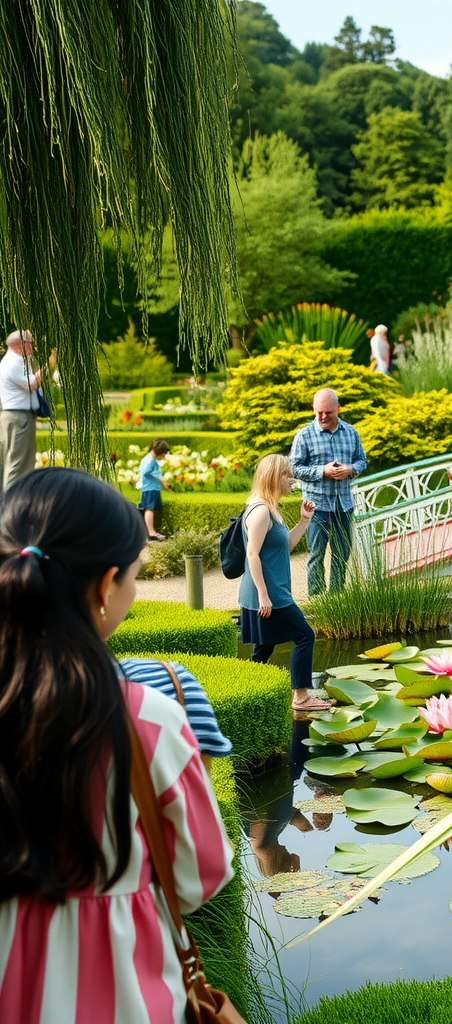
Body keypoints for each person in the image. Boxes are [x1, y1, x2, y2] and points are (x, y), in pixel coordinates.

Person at [0, 468, 233, 1023]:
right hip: (128, 999)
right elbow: (203, 874)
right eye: (133, 576)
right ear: (106, 586)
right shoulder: (147, 719)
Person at [239, 453, 332, 711]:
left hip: (271, 590)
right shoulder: (260, 512)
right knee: (305, 635)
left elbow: (286, 545)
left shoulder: (271, 509)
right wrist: (263, 595)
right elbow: (252, 554)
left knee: (264, 647)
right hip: (270, 593)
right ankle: (301, 697)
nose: (292, 480)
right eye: (287, 475)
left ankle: (246, 692)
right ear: (274, 477)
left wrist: (304, 521)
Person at [290, 388, 367, 595]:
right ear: (314, 410)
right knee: (316, 555)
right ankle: (316, 598)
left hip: (344, 505)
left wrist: (350, 469)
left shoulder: (351, 432)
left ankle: (336, 596)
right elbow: (294, 468)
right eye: (319, 412)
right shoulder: (304, 435)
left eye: (328, 413)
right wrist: (322, 471)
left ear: (338, 409)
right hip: (316, 506)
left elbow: (362, 461)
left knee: (342, 554)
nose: (323, 417)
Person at [0, 329, 53, 490]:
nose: (32, 346)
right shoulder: (13, 362)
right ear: (20, 344)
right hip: (19, 417)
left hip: (18, 416)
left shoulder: (16, 361)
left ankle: (9, 501)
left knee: (18, 461)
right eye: (30, 343)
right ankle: (11, 503)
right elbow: (32, 385)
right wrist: (49, 366)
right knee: (18, 464)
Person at [136, 437, 171, 540]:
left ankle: (150, 531)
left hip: (150, 487)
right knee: (149, 509)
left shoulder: (148, 458)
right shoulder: (150, 460)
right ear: (160, 452)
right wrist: (160, 478)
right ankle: (151, 532)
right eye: (164, 454)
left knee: (150, 508)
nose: (164, 456)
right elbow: (146, 472)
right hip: (150, 487)